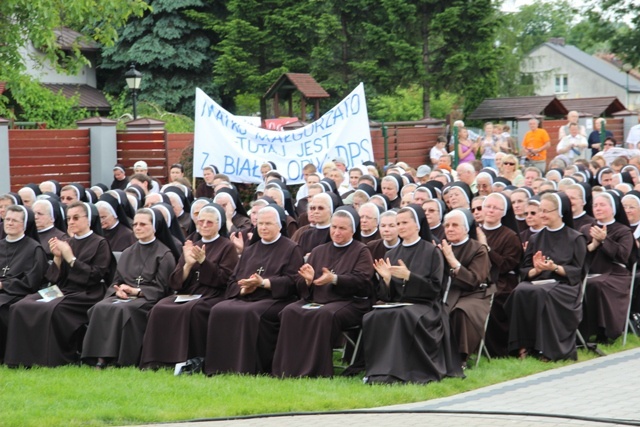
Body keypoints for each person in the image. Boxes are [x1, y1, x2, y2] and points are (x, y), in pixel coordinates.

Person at [5, 202, 114, 367]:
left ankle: (52, 358)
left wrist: (71, 258)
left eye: (76, 218)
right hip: (61, 290)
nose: (71, 222)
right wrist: (57, 258)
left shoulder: (100, 243)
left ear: (89, 219)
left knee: (51, 309)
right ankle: (21, 359)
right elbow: (53, 278)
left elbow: (95, 276)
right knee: (22, 305)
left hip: (87, 292)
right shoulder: (67, 241)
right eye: (69, 218)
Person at [364, 205, 463, 383]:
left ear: (417, 225)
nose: (400, 227)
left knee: (403, 315)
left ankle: (400, 371)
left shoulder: (432, 251)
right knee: (373, 316)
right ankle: (378, 372)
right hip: (400, 305)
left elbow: (435, 289)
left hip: (427, 307)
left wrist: (410, 276)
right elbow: (388, 296)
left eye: (404, 223)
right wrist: (386, 280)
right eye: (398, 223)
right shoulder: (391, 253)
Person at [272, 207, 374, 377]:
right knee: (289, 311)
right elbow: (302, 284)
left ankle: (316, 370)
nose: (336, 232)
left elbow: (362, 281)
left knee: (324, 314)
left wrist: (334, 279)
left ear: (353, 230)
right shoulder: (319, 250)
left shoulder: (361, 250)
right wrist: (308, 280)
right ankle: (288, 368)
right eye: (334, 227)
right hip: (318, 298)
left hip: (349, 302)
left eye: (342, 228)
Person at [204, 205, 304, 375]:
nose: (263, 228)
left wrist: (263, 283)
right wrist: (244, 289)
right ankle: (219, 367)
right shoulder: (250, 250)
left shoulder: (291, 248)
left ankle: (248, 368)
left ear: (279, 225)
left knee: (250, 313)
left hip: (275, 299)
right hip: (246, 297)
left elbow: (293, 282)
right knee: (218, 309)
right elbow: (232, 281)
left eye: (268, 224)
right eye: (261, 224)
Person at [139, 204, 238, 369]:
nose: (204, 225)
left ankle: (187, 359)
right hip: (188, 293)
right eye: (201, 221)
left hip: (212, 295)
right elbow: (176, 282)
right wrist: (188, 266)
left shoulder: (227, 246)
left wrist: (204, 262)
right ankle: (156, 360)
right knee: (160, 308)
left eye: (209, 222)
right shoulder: (192, 244)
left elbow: (225, 279)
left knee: (192, 310)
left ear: (218, 225)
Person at [81, 208, 178, 368]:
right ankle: (97, 357)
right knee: (100, 307)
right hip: (124, 297)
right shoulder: (128, 252)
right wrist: (117, 290)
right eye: (135, 224)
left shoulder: (164, 254)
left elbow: (163, 288)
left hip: (148, 300)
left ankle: (119, 358)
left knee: (124, 310)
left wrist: (137, 292)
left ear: (155, 227)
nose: (138, 227)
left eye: (143, 224)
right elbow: (116, 281)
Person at [505, 193, 587, 361]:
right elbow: (524, 271)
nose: (542, 215)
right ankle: (523, 346)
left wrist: (555, 268)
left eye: (546, 211)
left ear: (560, 212)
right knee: (520, 290)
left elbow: (578, 272)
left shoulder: (575, 238)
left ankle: (547, 350)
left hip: (565, 287)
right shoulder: (535, 238)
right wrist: (536, 269)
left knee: (542, 293)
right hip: (540, 282)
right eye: (540, 210)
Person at [439, 209, 491, 368]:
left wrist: (452, 261)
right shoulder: (442, 247)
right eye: (447, 225)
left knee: (460, 312)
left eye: (455, 225)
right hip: (447, 293)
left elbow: (474, 280)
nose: (449, 228)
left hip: (474, 294)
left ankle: (460, 358)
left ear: (466, 228)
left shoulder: (478, 249)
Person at [580, 192, 635, 342]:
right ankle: (581, 332)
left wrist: (605, 240)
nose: (598, 208)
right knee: (579, 284)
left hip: (616, 274)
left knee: (596, 284)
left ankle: (603, 332)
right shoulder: (586, 229)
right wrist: (593, 245)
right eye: (595, 205)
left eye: (602, 205)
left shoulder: (623, 231)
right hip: (590, 270)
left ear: (613, 208)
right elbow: (577, 253)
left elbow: (623, 255)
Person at [477, 194, 523, 357]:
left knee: (494, 300)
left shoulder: (510, 236)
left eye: (495, 208)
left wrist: (486, 248)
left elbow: (506, 265)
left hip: (501, 281)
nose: (490, 210)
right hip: (475, 278)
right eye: (488, 206)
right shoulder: (474, 230)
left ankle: (496, 350)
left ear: (504, 212)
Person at [0, 206, 47, 361]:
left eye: (15, 220)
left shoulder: (34, 249)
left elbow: (32, 282)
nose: (10, 223)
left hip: (17, 294)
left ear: (25, 224)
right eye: (7, 219)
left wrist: (4, 285)